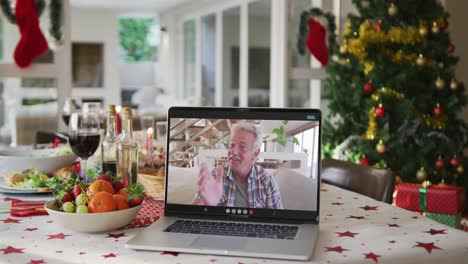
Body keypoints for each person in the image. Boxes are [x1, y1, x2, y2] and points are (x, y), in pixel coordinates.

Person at [193, 122, 283, 209]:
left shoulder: (267, 181)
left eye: (242, 147)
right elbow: (194, 217)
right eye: (232, 145)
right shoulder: (215, 176)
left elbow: (278, 220)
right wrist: (208, 206)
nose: (234, 151)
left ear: (255, 153)